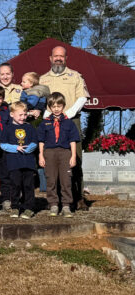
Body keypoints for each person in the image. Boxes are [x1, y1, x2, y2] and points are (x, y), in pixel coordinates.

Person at [39, 46, 89, 211]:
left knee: (75, 160)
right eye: (55, 56)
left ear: (66, 58)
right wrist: (47, 114)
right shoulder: (43, 79)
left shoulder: (75, 76)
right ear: (50, 58)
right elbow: (40, 100)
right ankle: (55, 200)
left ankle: (78, 198)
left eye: (61, 56)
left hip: (70, 122)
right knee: (53, 162)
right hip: (50, 123)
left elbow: (82, 97)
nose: (58, 58)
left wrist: (68, 113)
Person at [38, 92, 79, 217]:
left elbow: (73, 141)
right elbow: (41, 141)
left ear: (63, 106)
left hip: (65, 153)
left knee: (66, 180)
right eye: (53, 106)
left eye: (59, 106)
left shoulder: (69, 123)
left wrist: (73, 156)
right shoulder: (45, 123)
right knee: (51, 179)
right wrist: (41, 155)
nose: (56, 109)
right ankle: (53, 204)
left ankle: (66, 205)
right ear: (49, 107)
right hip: (49, 153)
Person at [0, 102, 38, 219]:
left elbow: (34, 142)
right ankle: (15, 207)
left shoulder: (29, 127)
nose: (23, 117)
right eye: (20, 115)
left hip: (28, 162)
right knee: (15, 185)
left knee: (28, 186)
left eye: (25, 115)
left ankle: (29, 208)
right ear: (12, 114)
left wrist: (28, 149)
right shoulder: (7, 129)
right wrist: (16, 148)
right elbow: (3, 145)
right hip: (14, 163)